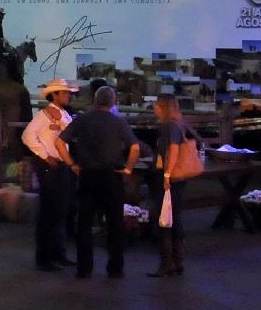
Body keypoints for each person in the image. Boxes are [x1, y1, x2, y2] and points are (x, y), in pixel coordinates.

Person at [60, 84, 140, 279]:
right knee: (114, 222)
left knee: (85, 222)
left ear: (94, 101)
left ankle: (84, 268)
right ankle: (115, 267)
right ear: (112, 102)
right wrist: (128, 169)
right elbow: (135, 147)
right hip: (112, 176)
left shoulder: (83, 120)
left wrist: (71, 164)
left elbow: (59, 142)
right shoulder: (118, 122)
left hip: (87, 175)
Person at [21, 78, 77, 269]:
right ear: (55, 95)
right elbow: (27, 135)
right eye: (64, 93)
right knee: (50, 211)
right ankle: (46, 257)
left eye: (68, 93)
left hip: (58, 165)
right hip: (51, 166)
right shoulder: (45, 115)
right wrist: (45, 155)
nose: (68, 95)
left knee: (58, 211)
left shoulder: (60, 114)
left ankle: (56, 253)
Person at [145, 94, 193, 277]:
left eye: (156, 106)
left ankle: (166, 263)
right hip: (179, 177)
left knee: (164, 217)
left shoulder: (168, 126)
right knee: (175, 215)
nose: (155, 109)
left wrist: (166, 174)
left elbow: (173, 150)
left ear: (162, 107)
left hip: (168, 177)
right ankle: (177, 260)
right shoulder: (179, 124)